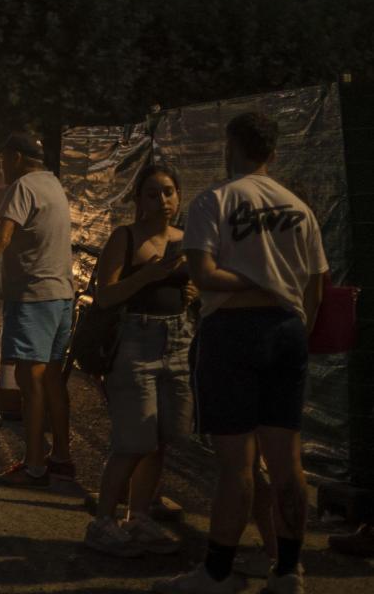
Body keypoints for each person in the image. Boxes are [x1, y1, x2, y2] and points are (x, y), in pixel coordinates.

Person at [156, 113, 328, 594]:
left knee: (237, 464)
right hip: (288, 331)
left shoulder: (215, 200)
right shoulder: (300, 208)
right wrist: (296, 322)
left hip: (231, 332)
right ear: (273, 153)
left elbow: (204, 274)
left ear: (231, 145)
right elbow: (315, 284)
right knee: (287, 459)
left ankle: (217, 572)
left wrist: (255, 279)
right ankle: (290, 571)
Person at [83, 164, 194, 558]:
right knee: (133, 440)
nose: (162, 201)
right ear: (138, 201)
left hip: (178, 341)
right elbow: (106, 295)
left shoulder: (186, 241)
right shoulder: (126, 238)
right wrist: (150, 275)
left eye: (168, 192)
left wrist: (190, 292)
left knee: (161, 438)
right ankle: (102, 523)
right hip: (135, 342)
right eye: (152, 193)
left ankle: (139, 516)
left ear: (179, 196)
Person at [0, 132, 76, 489]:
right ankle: (62, 459)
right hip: (61, 297)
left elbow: (1, 237)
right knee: (53, 381)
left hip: (33, 297)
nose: (1, 167)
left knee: (30, 382)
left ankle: (35, 464)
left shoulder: (23, 188)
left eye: (2, 160)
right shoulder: (53, 184)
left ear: (17, 158)